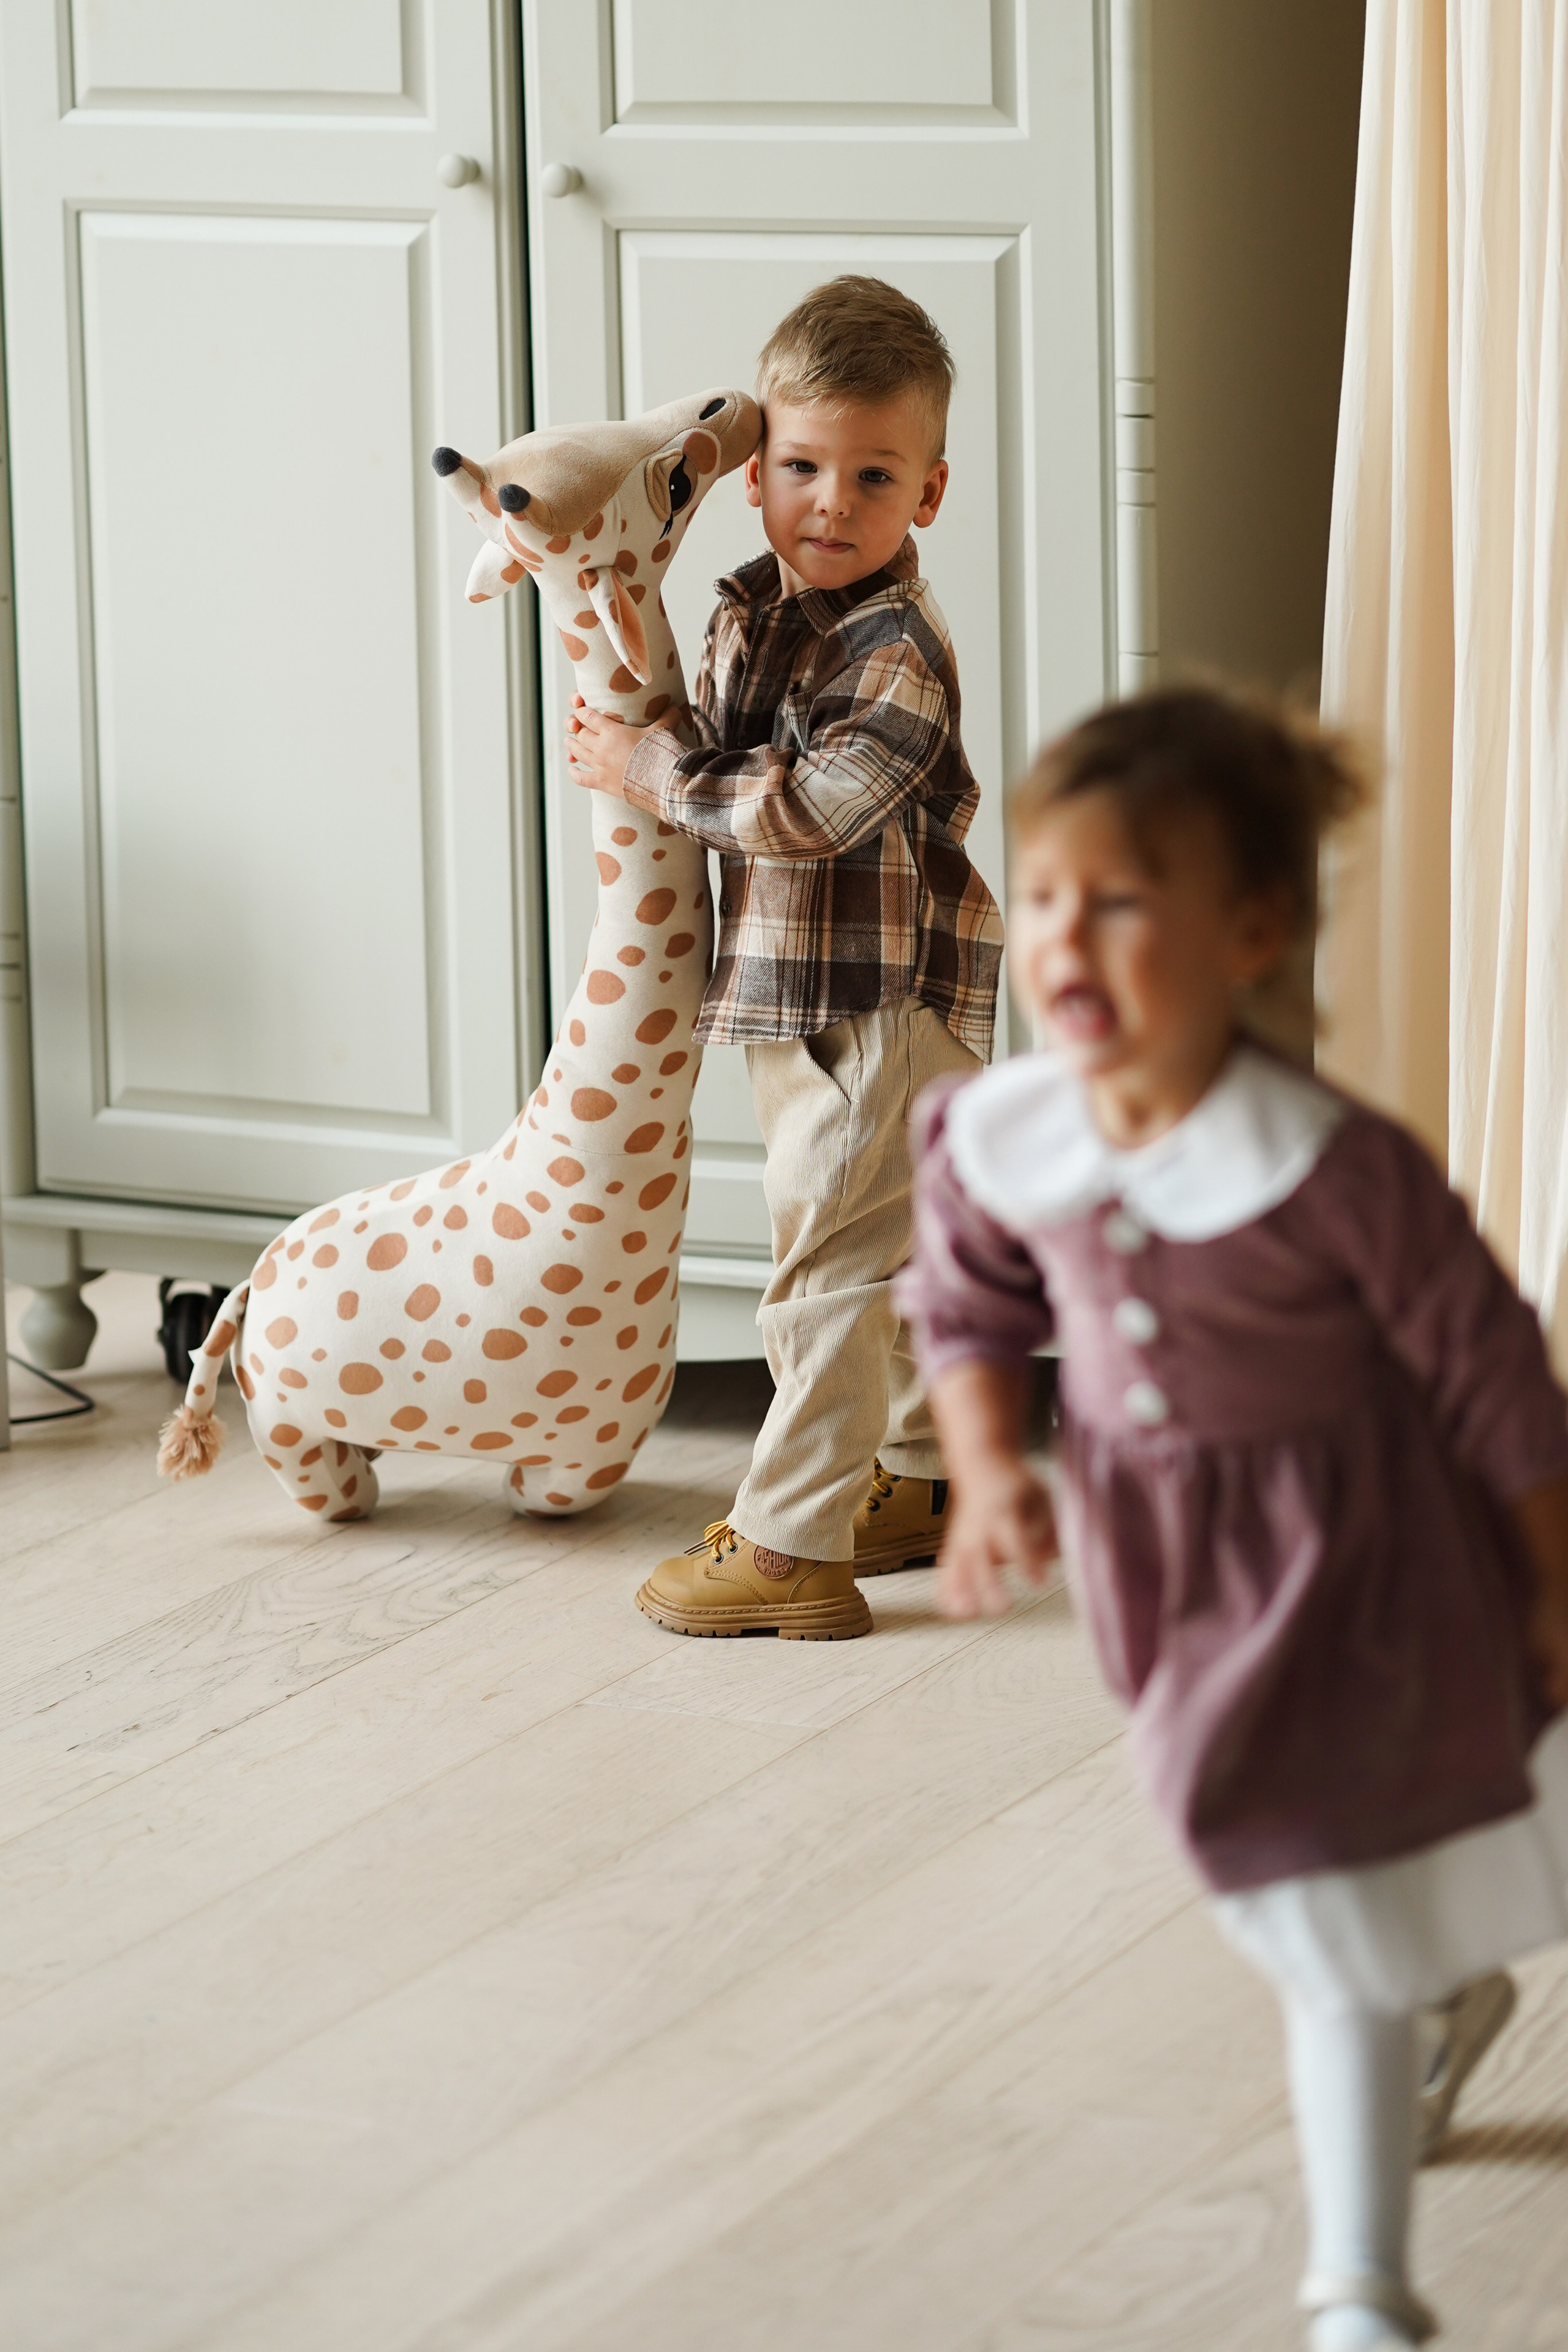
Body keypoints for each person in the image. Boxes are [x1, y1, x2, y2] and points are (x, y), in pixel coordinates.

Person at [897, 685, 1568, 2351]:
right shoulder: (1003, 1135)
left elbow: (1496, 1377)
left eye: (1123, 900)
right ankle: (1429, 2003)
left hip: (1385, 1562)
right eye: (1046, 893)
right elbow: (965, 1308)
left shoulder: (1336, 1172)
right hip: (1175, 1580)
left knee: (1324, 1882)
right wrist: (989, 1474)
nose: (1068, 935)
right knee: (1289, 1852)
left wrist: (1557, 1584)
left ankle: (1358, 2284)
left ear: (1249, 930)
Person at [567, 275, 1003, 1639]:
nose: (829, 501)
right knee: (897, 1252)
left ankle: (789, 1547)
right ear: (752, 476)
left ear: (926, 494)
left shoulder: (894, 654)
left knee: (823, 1267)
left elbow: (805, 810)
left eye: (870, 476)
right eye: (801, 467)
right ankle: (926, 1479)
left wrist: (647, 767)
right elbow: (722, 741)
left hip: (872, 1007)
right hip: (796, 991)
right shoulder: (752, 607)